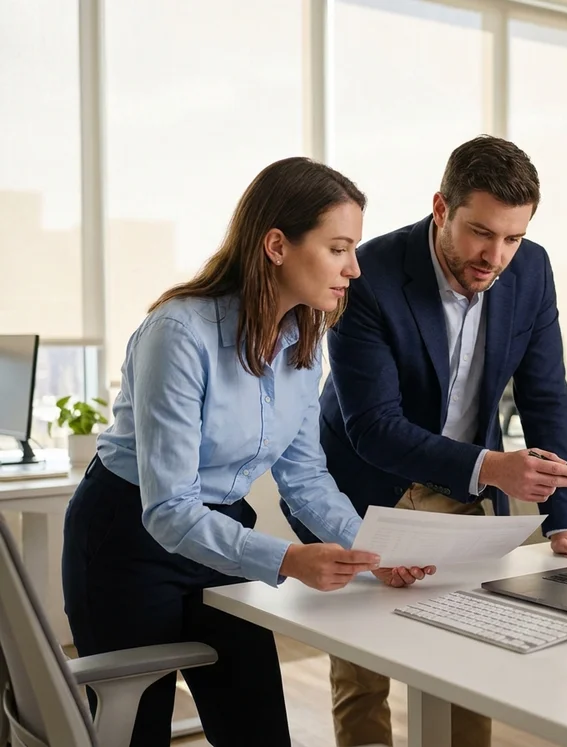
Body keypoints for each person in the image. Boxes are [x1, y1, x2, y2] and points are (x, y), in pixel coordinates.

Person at [62, 157, 433, 747]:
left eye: (354, 249)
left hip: (221, 535)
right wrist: (289, 559)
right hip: (128, 538)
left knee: (259, 730)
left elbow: (306, 477)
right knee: (135, 731)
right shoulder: (179, 333)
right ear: (277, 245)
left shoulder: (302, 342)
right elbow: (169, 510)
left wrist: (373, 551)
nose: (354, 268)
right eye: (339, 248)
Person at [281, 135, 567, 747]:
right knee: (364, 669)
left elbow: (545, 397)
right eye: (481, 232)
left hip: (464, 485)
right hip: (366, 485)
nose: (496, 255)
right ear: (441, 208)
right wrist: (494, 467)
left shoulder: (531, 271)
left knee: (466, 657)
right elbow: (372, 426)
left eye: (513, 238)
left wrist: (563, 517)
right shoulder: (368, 276)